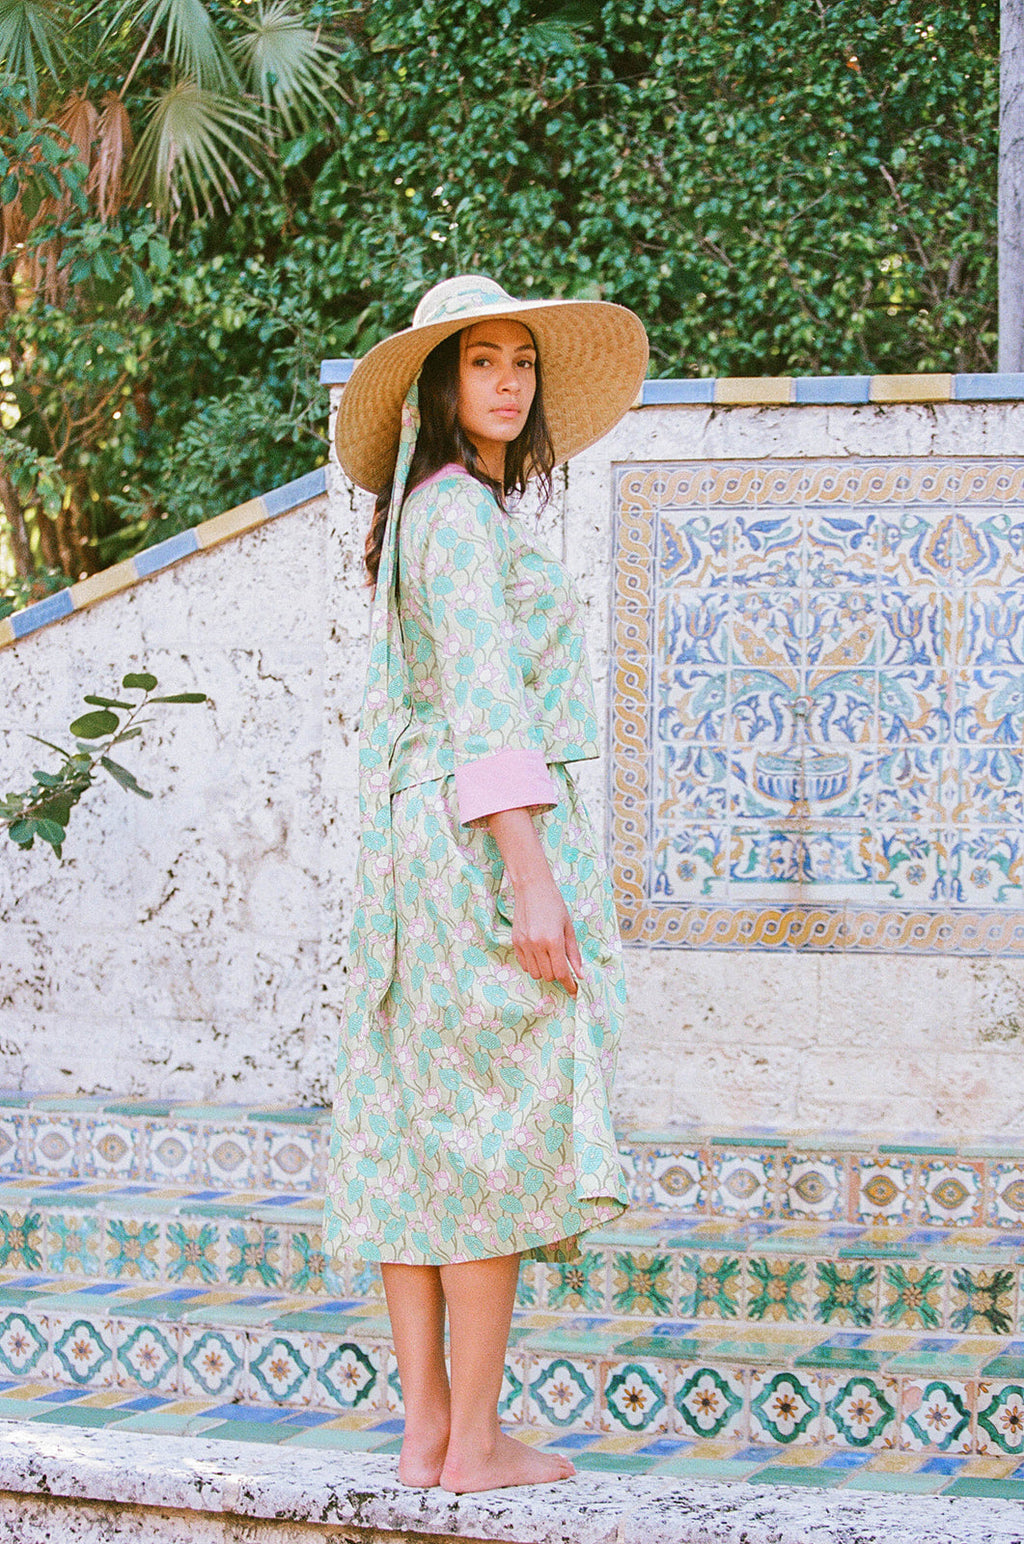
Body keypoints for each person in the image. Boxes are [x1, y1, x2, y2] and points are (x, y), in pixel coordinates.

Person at [323, 275, 648, 1494]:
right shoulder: (458, 517)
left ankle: (426, 1432)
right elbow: (486, 703)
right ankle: (474, 1438)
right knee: (491, 1128)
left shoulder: (427, 515)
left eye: (521, 360)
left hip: (418, 848)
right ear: (439, 386)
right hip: (475, 842)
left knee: (417, 1134)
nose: (508, 379)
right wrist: (532, 877)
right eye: (482, 361)